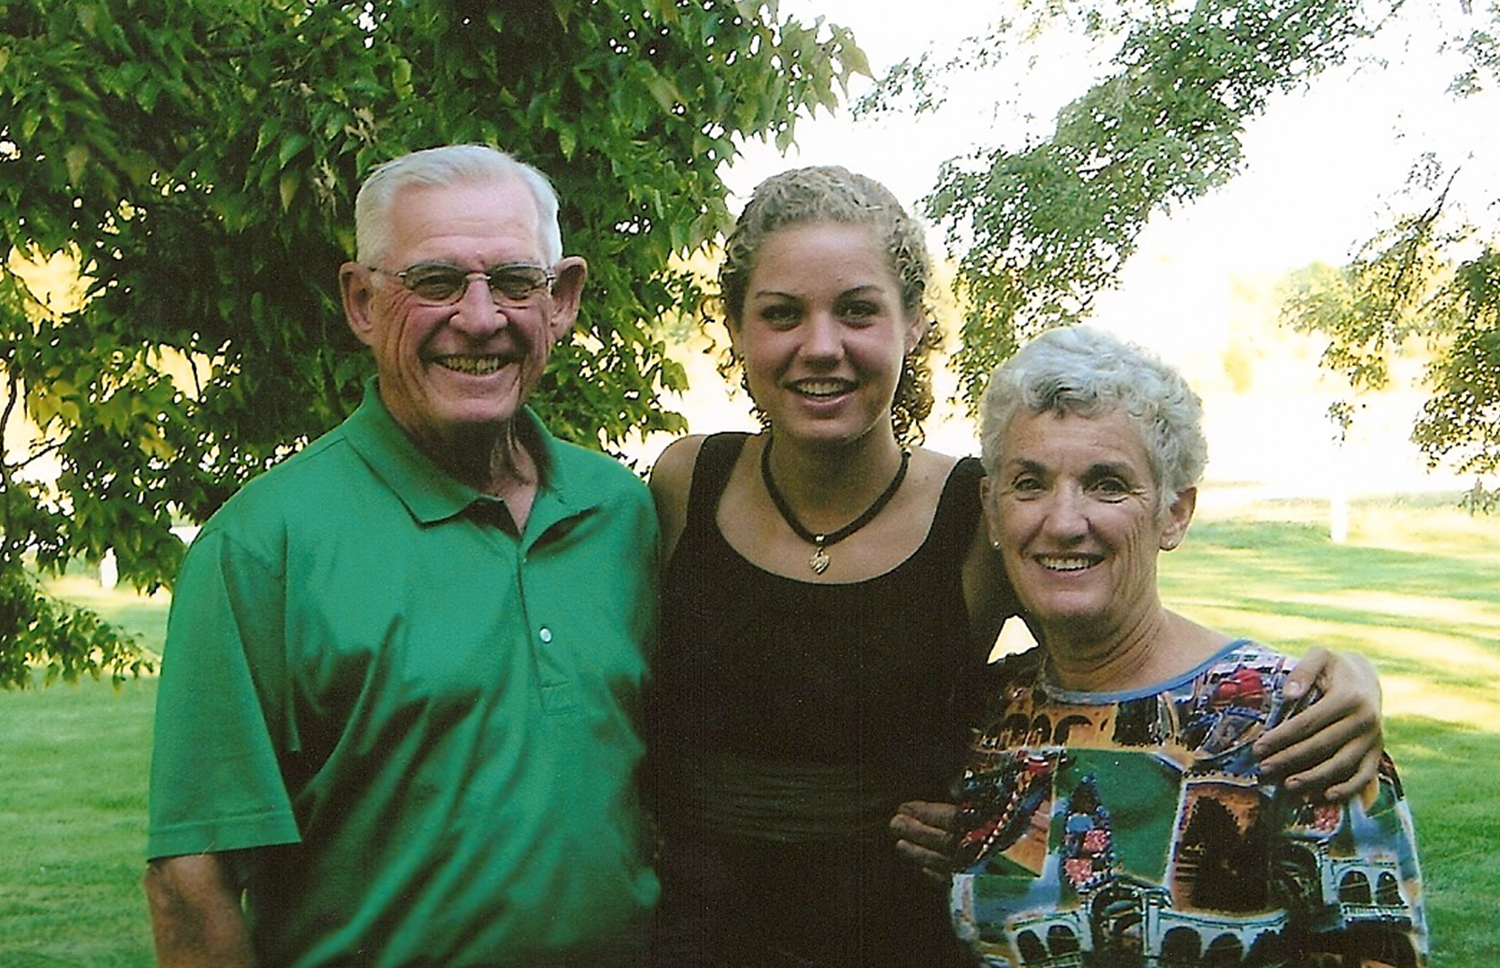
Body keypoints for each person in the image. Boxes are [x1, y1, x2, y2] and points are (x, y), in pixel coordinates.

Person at [644, 166, 1387, 968]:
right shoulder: (688, 483)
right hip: (692, 935)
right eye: (782, 313)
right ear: (736, 326)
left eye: (858, 310)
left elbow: (1119, 664)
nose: (820, 346)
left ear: (914, 321)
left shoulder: (977, 515)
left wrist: (1328, 682)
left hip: (894, 938)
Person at [143, 145, 659, 968]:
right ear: (361, 301)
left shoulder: (620, 514)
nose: (481, 319)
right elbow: (191, 880)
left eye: (514, 282)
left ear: (561, 300)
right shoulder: (263, 547)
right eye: (436, 282)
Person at [950, 325, 1427, 967]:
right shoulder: (980, 714)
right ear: (992, 508)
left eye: (1107, 484)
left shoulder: (1300, 727)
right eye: (1029, 483)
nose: (1062, 522)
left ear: (1175, 512)